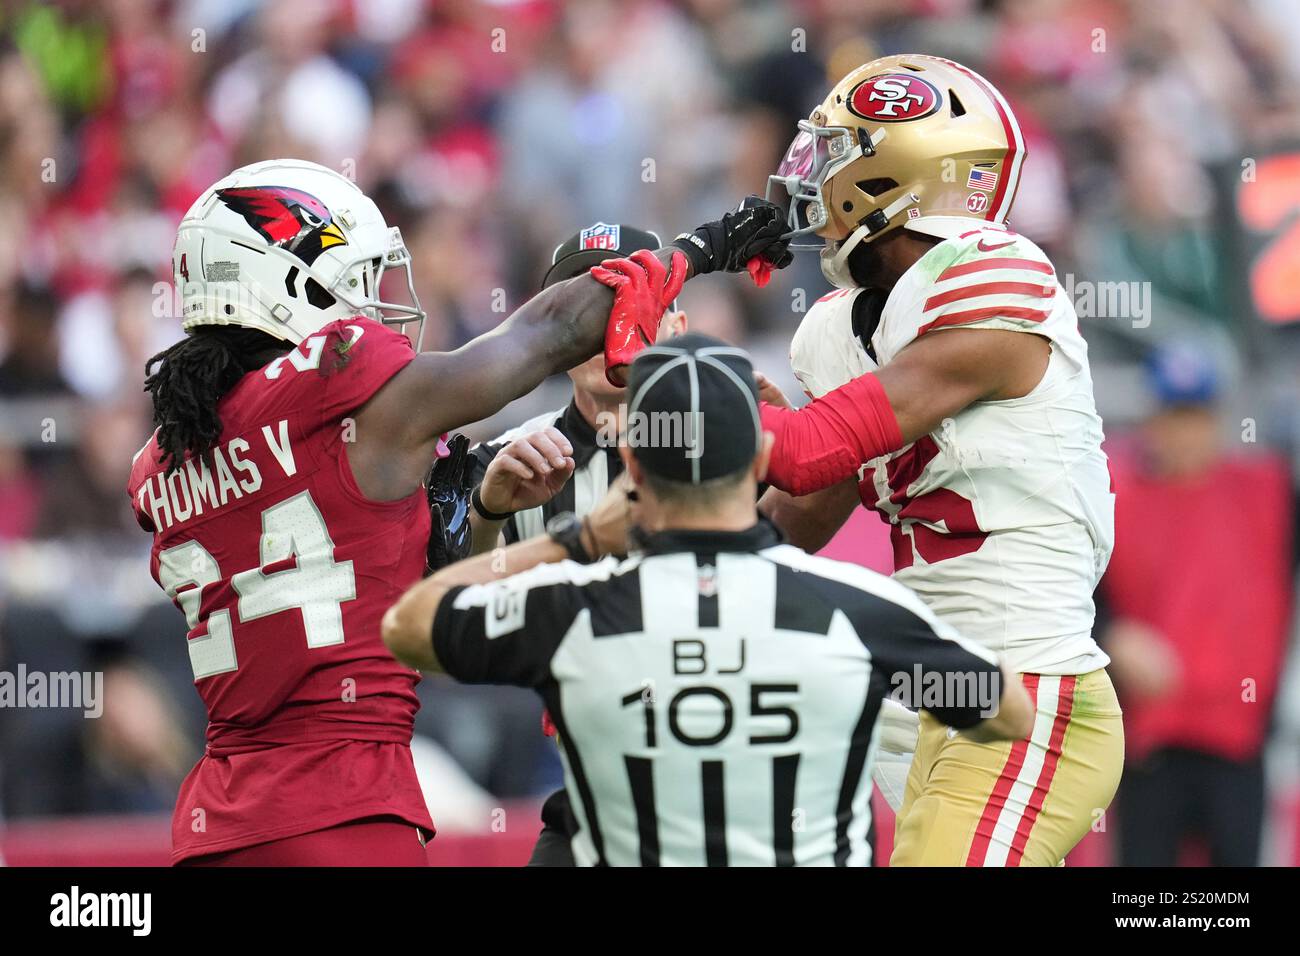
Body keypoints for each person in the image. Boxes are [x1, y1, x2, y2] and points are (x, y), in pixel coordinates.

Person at [126, 158, 792, 865]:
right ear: (288, 281)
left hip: (216, 825)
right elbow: (547, 332)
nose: (370, 303)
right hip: (345, 810)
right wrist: (706, 246)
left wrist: (480, 509)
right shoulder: (328, 378)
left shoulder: (160, 460)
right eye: (354, 280)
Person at [382, 333, 1034, 867]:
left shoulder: (572, 610)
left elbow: (410, 624)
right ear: (762, 461)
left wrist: (570, 541)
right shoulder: (855, 611)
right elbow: (1007, 712)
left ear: (632, 464)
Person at [747, 54, 1123, 865]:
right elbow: (795, 522)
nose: (808, 173)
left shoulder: (996, 277)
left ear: (900, 171)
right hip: (935, 696)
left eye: (837, 151)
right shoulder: (839, 327)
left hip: (1034, 691)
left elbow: (810, 449)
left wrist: (683, 392)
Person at [453, 222, 685, 865]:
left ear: (676, 321)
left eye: (628, 300)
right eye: (584, 308)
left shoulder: (739, 437)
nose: (606, 325)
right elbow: (446, 630)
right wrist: (487, 511)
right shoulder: (507, 462)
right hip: (593, 794)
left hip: (733, 785)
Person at [1103, 344, 1293, 866]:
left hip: (1237, 743)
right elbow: (1074, 600)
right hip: (1148, 743)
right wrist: (1113, 635)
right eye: (1173, 417)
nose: (1185, 434)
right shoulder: (1113, 493)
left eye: (1197, 417)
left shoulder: (1266, 492)